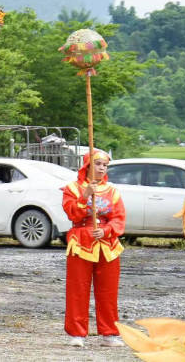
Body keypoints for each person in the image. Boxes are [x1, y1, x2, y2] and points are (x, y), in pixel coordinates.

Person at [63, 149, 125, 348]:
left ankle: (110, 333)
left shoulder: (112, 191)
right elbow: (73, 215)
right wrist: (85, 195)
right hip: (81, 242)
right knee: (78, 290)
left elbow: (119, 218)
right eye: (98, 164)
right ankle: (77, 333)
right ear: (87, 166)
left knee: (108, 291)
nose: (102, 168)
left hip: (107, 245)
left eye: (105, 165)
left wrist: (106, 230)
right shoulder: (72, 188)